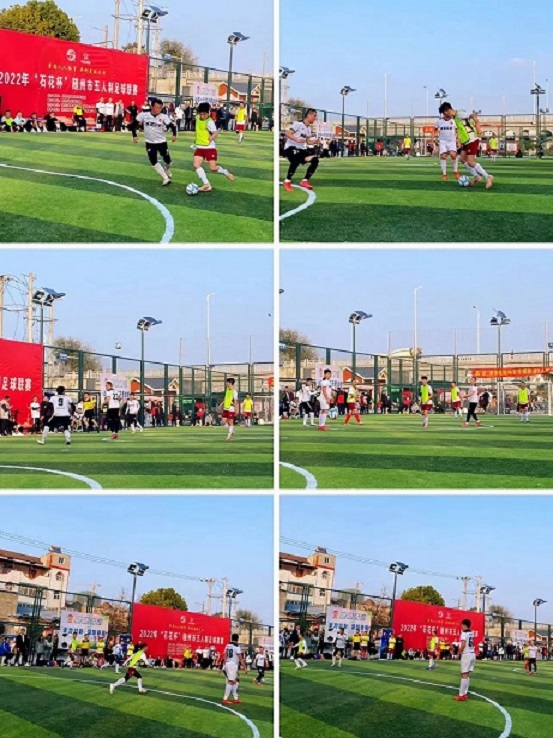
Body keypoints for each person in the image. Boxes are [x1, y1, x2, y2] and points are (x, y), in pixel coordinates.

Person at [439, 102, 494, 189]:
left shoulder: (460, 114)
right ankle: (476, 177)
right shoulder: (455, 118)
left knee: (470, 162)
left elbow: (473, 116)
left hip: (472, 139)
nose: (445, 116)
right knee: (462, 159)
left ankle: (488, 176)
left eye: (444, 113)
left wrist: (478, 127)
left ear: (447, 111)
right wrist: (460, 141)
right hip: (466, 141)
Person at [131, 97, 177, 186]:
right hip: (150, 142)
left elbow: (172, 126)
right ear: (152, 107)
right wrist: (134, 135)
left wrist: (174, 135)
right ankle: (165, 178)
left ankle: (167, 169)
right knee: (153, 161)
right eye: (156, 108)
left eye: (160, 108)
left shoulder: (163, 116)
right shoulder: (143, 115)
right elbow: (133, 125)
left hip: (162, 142)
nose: (158, 110)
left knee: (167, 160)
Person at [192, 101, 234, 192]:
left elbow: (215, 133)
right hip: (199, 147)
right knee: (196, 165)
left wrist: (211, 137)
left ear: (208, 113)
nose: (202, 116)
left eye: (204, 114)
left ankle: (225, 172)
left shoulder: (210, 122)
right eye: (200, 114)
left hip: (209, 148)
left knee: (212, 168)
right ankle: (206, 184)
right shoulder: (197, 118)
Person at [282, 108, 321, 192]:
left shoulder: (309, 128)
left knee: (315, 160)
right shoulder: (298, 124)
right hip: (290, 148)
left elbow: (307, 141)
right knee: (296, 158)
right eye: (314, 116)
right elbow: (287, 134)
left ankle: (305, 181)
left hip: (301, 150)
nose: (315, 118)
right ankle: (287, 181)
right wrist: (296, 139)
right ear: (309, 115)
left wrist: (315, 142)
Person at [432, 113, 460, 181]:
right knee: (443, 156)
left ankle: (455, 171)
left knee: (453, 155)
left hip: (452, 141)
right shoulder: (439, 122)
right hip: (443, 141)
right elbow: (434, 130)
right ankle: (444, 174)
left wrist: (458, 141)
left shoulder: (454, 121)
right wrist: (433, 139)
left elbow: (457, 131)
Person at [455, 619, 476, 701]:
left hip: (466, 654)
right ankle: (465, 693)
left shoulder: (464, 633)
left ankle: (461, 695)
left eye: (462, 625)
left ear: (464, 625)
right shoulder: (471, 633)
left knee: (464, 674)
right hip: (472, 654)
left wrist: (458, 653)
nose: (461, 626)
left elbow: (463, 645)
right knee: (467, 675)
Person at [222, 634, 245, 704]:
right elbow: (240, 656)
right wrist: (244, 666)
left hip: (228, 663)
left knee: (236, 680)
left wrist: (224, 664)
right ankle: (225, 699)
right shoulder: (236, 646)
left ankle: (236, 698)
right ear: (237, 639)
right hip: (233, 665)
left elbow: (225, 655)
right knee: (231, 681)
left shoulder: (228, 645)